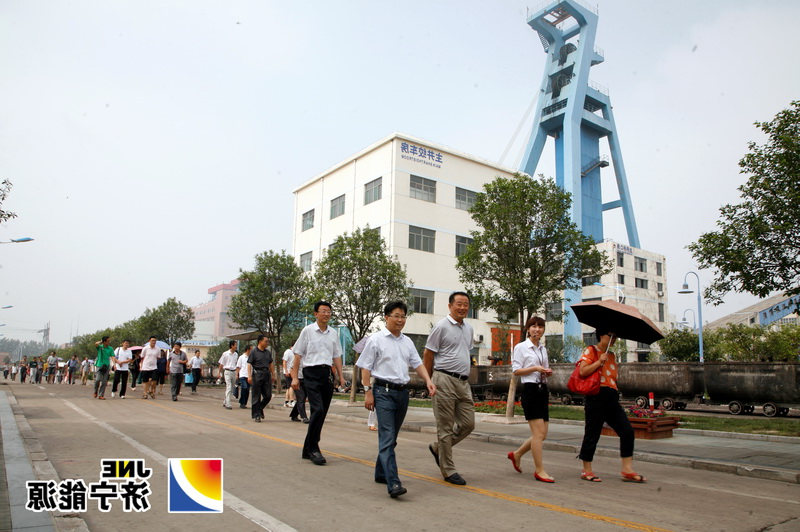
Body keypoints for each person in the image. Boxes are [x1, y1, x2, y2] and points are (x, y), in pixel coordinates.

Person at [357, 301, 436, 499]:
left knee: (391, 438)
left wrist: (428, 381)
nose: (400, 320)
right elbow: (365, 368)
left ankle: (380, 472)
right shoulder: (375, 340)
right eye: (396, 315)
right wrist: (368, 391)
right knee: (387, 437)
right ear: (386, 317)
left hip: (402, 393)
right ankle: (393, 482)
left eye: (403, 316)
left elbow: (417, 363)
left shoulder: (407, 342)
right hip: (382, 392)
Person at [577, 329, 646, 483]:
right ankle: (586, 470)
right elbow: (582, 371)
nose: (614, 339)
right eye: (611, 335)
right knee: (592, 434)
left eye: (616, 336)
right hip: (595, 396)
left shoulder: (612, 355)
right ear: (601, 335)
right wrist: (598, 362)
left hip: (611, 397)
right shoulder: (591, 350)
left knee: (627, 431)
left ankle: (627, 469)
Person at [423, 291, 475, 486]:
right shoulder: (441, 327)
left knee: (468, 424)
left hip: (463, 382)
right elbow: (428, 354)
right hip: (443, 379)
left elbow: (464, 351)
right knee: (445, 427)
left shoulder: (468, 328)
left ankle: (438, 448)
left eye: (466, 304)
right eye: (458, 304)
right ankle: (448, 470)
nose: (462, 307)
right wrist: (428, 380)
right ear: (450, 306)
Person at [291, 301, 346, 465]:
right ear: (316, 314)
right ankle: (314, 449)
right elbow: (298, 355)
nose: (326, 314)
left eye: (329, 311)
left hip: (326, 374)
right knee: (318, 409)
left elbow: (337, 356)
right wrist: (294, 377)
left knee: (321, 413)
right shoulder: (307, 331)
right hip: (311, 374)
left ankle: (307, 449)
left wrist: (341, 377)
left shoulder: (333, 333)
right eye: (323, 311)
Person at [507, 316, 554, 483]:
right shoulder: (521, 347)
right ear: (528, 329)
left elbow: (544, 368)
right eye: (533, 326)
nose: (537, 329)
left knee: (543, 434)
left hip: (542, 390)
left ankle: (517, 454)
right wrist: (535, 368)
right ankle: (539, 470)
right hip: (530, 390)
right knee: (538, 434)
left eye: (540, 327)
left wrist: (546, 372)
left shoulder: (542, 349)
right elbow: (516, 371)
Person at [248, 337, 274, 422]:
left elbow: (270, 364)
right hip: (257, 374)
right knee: (256, 396)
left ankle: (259, 408)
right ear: (260, 342)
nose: (267, 343)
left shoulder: (267, 352)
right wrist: (249, 376)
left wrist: (273, 374)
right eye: (266, 341)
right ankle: (256, 415)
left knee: (268, 396)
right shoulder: (254, 352)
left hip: (266, 374)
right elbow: (249, 364)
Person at [287, 351, 308, 423]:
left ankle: (294, 414)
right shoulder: (296, 358)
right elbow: (291, 369)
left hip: (307, 380)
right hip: (298, 381)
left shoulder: (308, 358)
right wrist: (294, 379)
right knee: (301, 398)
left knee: (302, 398)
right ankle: (304, 417)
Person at [218, 341, 238, 410]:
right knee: (229, 387)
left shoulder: (236, 354)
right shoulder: (225, 354)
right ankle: (228, 404)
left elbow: (236, 364)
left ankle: (225, 401)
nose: (236, 346)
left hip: (234, 372)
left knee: (231, 388)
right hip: (227, 371)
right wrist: (219, 373)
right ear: (232, 346)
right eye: (235, 345)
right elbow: (221, 364)